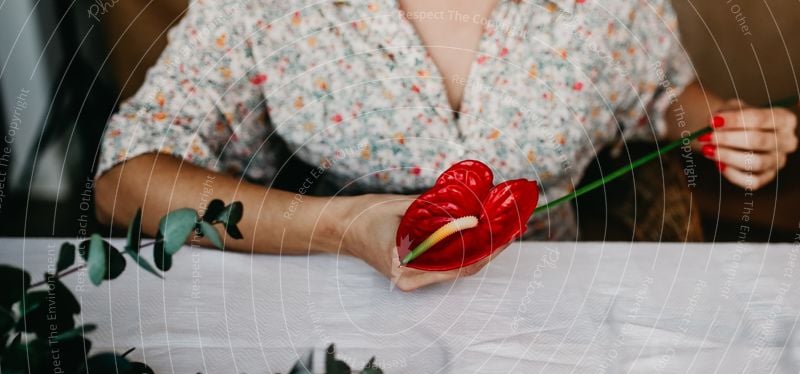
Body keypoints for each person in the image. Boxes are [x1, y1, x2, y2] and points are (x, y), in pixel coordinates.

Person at [95, 0, 798, 291]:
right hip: (327, 301)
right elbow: (124, 183)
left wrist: (721, 121)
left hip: (549, 304)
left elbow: (660, 94)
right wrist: (343, 228)